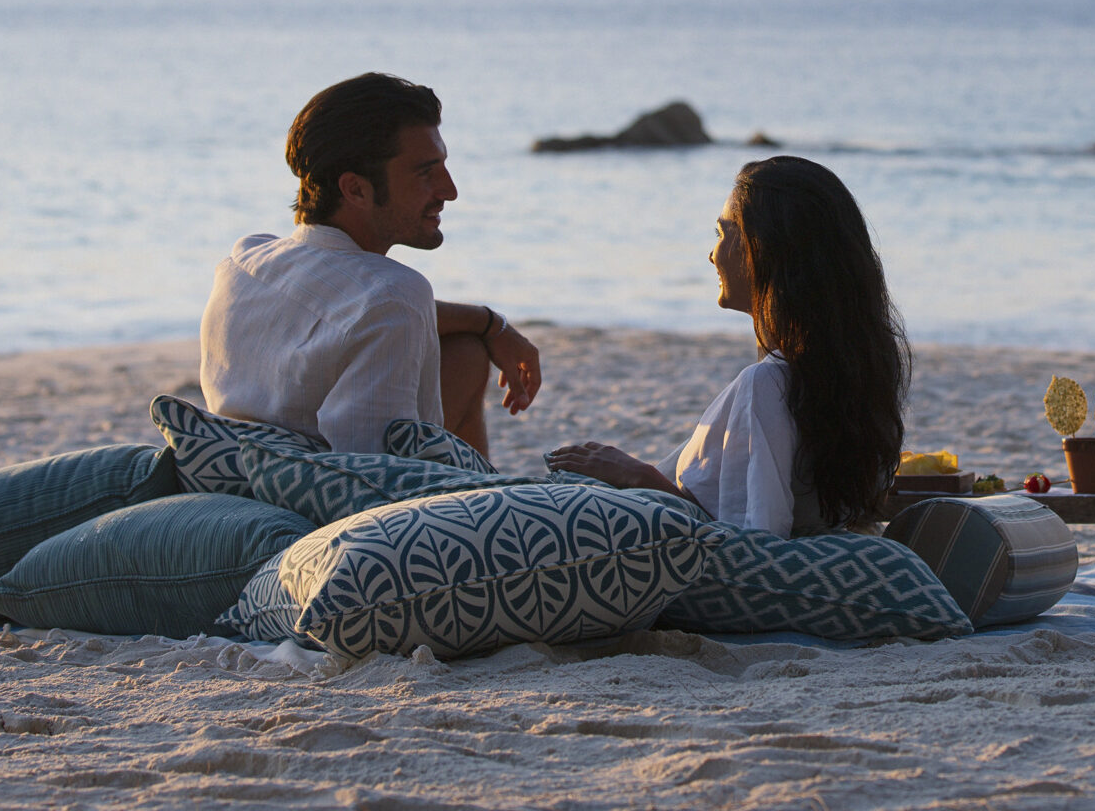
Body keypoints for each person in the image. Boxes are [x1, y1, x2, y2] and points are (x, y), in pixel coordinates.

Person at [548, 155, 907, 536]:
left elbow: (749, 546)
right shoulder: (861, 374)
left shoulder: (768, 385)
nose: (712, 254)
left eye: (721, 233)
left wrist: (636, 476)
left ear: (761, 248)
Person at [200, 73, 542, 458]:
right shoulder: (395, 293)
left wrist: (487, 323)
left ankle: (480, 491)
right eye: (425, 173)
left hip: (244, 471)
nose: (450, 190)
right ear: (356, 189)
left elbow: (347, 310)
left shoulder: (244, 261)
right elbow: (375, 473)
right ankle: (477, 503)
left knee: (465, 352)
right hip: (322, 498)